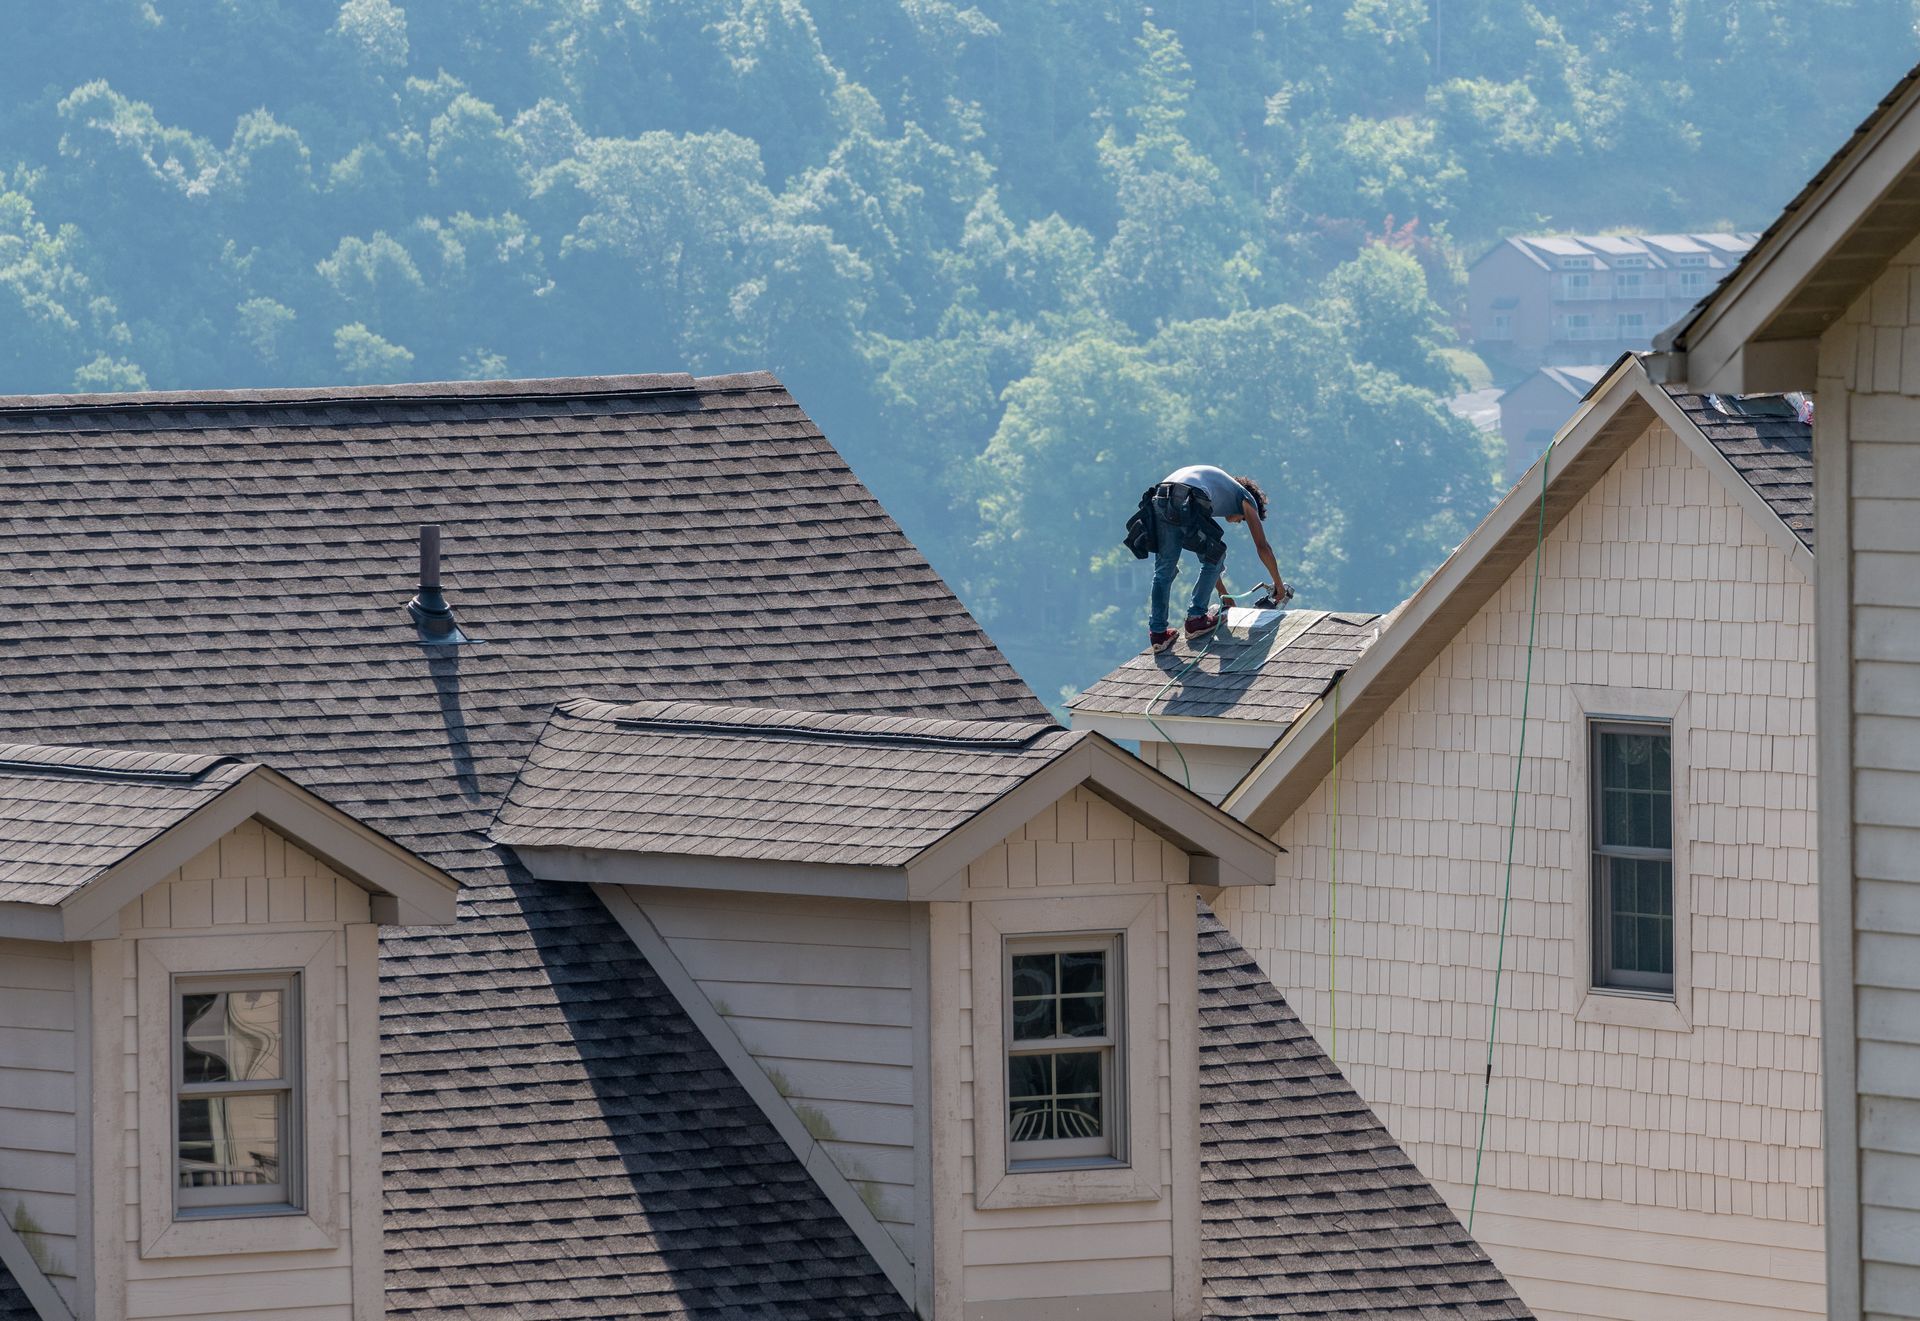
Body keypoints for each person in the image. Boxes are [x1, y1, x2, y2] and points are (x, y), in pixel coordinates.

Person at [1133, 464, 1291, 653]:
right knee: (1216, 553)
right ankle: (1196, 618)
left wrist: (1223, 594)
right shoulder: (1246, 497)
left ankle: (1158, 633)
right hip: (1188, 497)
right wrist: (1279, 585)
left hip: (1159, 497)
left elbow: (1205, 555)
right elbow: (1262, 547)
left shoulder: (1217, 489)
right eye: (1242, 520)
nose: (1238, 522)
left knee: (1164, 571)